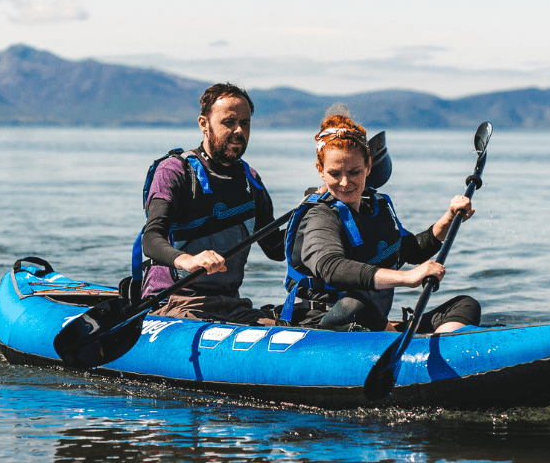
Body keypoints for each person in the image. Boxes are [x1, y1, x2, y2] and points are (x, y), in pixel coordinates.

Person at [280, 107, 481, 333]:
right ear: (321, 170)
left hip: (375, 326)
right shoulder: (319, 216)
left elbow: (409, 251)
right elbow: (331, 267)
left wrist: (449, 219)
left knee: (466, 304)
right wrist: (407, 278)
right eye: (335, 173)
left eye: (355, 172)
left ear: (368, 166)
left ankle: (434, 352)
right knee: (353, 305)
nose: (345, 183)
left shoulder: (378, 206)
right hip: (325, 324)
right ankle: (401, 346)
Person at [131, 83, 285, 326]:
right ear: (204, 124)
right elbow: (151, 240)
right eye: (229, 122)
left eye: (245, 123)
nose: (238, 131)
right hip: (172, 303)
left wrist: (312, 213)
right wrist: (188, 261)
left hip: (229, 306)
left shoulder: (250, 181)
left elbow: (276, 249)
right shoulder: (175, 171)